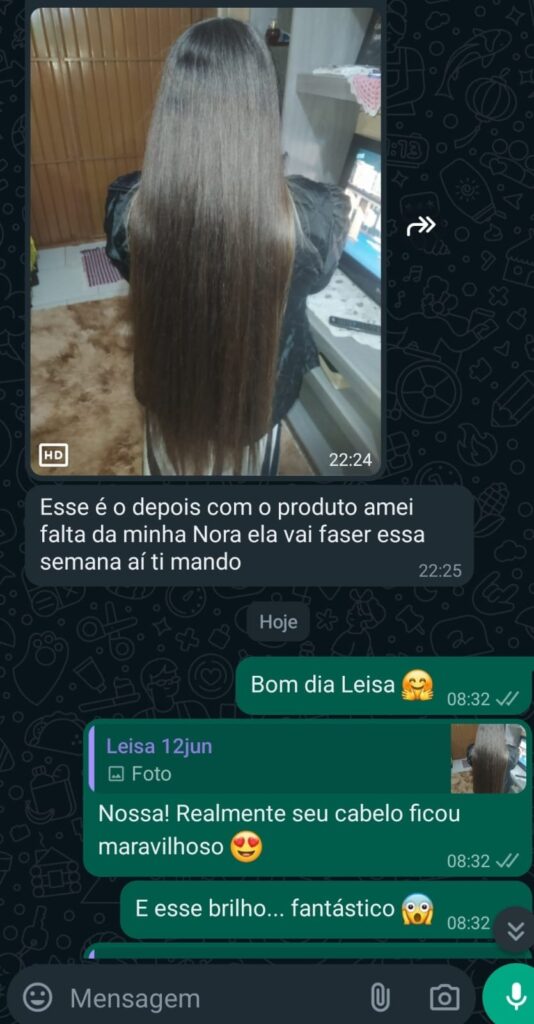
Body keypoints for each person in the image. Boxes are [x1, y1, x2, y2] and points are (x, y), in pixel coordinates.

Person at [104, 17, 349, 477]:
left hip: (169, 395)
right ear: (263, 105)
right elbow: (317, 277)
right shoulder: (314, 217)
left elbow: (132, 269)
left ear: (171, 107)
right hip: (253, 407)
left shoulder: (129, 209)